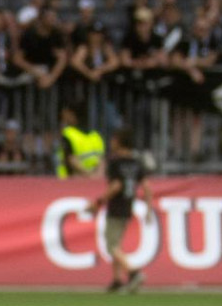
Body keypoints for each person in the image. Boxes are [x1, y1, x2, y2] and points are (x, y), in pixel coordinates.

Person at [97, 128, 152, 293]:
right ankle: (117, 279)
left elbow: (116, 185)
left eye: (114, 139)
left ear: (119, 141)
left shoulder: (115, 162)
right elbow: (147, 186)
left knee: (111, 245)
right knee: (117, 244)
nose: (111, 142)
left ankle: (133, 272)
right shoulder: (136, 162)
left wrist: (99, 201)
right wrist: (148, 208)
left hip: (115, 205)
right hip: (128, 204)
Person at [55, 102, 105, 179]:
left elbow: (71, 159)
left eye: (65, 114)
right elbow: (101, 161)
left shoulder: (69, 134)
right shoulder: (96, 136)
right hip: (93, 182)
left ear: (72, 115)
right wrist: (96, 177)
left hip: (71, 182)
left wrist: (89, 176)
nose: (63, 117)